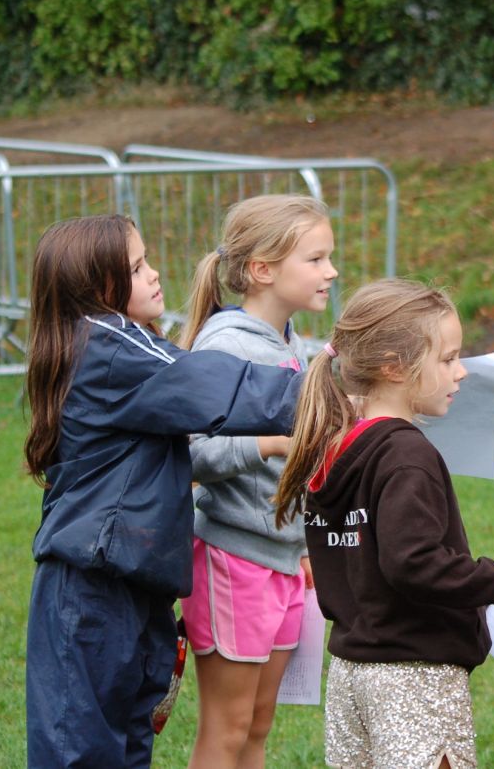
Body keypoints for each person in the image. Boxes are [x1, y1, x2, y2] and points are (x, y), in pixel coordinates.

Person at [22, 213, 306, 768]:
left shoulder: (114, 344)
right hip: (92, 594)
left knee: (128, 748)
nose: (154, 275)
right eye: (136, 267)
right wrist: (328, 395)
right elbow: (215, 385)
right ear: (98, 286)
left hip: (133, 585)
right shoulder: (108, 348)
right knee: (82, 754)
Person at [274, 279, 494, 769]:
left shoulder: (335, 448)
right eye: (448, 359)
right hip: (414, 680)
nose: (461, 373)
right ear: (394, 366)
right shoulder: (407, 454)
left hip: (352, 675)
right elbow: (414, 562)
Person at [176, 195, 336, 768]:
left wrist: (303, 547)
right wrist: (269, 442)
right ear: (264, 270)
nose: (331, 272)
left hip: (284, 565)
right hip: (232, 563)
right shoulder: (227, 344)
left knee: (258, 727)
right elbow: (191, 452)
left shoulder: (290, 345)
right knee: (228, 728)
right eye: (316, 259)